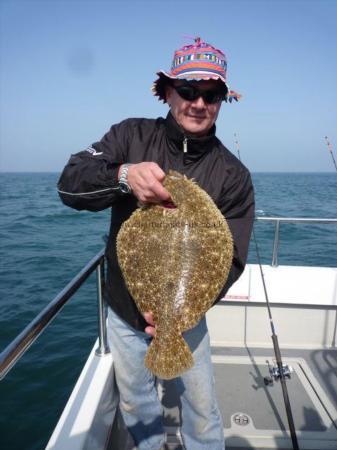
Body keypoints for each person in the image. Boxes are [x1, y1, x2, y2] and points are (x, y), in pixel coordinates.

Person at [58, 37, 255, 450]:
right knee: (136, 404)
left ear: (221, 99)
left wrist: (184, 311)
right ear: (166, 91)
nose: (199, 103)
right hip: (125, 312)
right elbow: (70, 184)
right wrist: (123, 176)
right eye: (188, 91)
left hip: (188, 318)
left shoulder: (233, 174)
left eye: (211, 94)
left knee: (203, 410)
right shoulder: (129, 136)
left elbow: (232, 256)